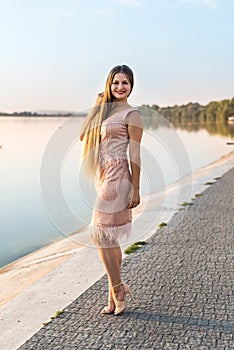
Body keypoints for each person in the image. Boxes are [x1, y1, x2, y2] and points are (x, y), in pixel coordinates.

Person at [80, 64, 143, 315]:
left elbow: (135, 155)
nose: (120, 87)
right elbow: (84, 135)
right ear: (109, 84)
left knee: (99, 233)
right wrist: (95, 108)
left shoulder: (132, 115)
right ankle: (113, 294)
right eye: (116, 82)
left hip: (118, 180)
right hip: (103, 176)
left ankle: (117, 288)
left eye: (125, 83)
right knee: (109, 238)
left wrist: (135, 189)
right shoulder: (104, 113)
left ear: (131, 86)